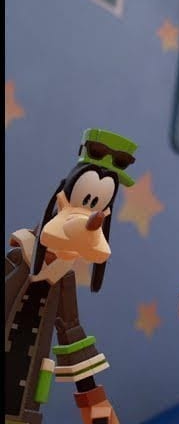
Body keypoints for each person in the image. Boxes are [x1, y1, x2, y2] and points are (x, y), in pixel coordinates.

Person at [6, 128, 137, 424]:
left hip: (22, 401)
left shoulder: (62, 281)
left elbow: (73, 340)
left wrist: (99, 415)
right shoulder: (18, 258)